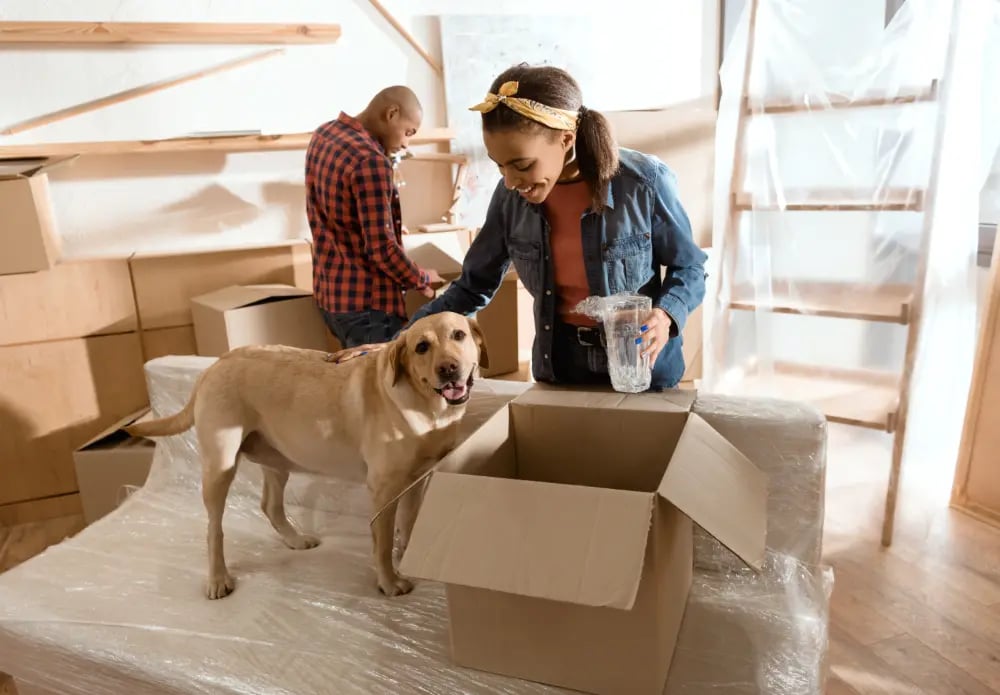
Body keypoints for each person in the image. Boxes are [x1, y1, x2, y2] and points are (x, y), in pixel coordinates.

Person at [337, 65, 707, 392]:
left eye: (522, 165)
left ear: (566, 138)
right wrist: (396, 344)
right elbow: (472, 285)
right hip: (562, 365)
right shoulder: (510, 198)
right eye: (500, 167)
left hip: (641, 365)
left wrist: (665, 315)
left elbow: (689, 267)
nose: (512, 181)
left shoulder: (643, 182)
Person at [306, 86, 443, 348]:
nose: (405, 143)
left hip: (331, 296)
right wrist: (422, 279)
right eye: (408, 132)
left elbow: (333, 213)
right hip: (367, 308)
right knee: (378, 388)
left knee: (356, 382)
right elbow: (381, 249)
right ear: (392, 113)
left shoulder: (324, 133)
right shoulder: (370, 160)